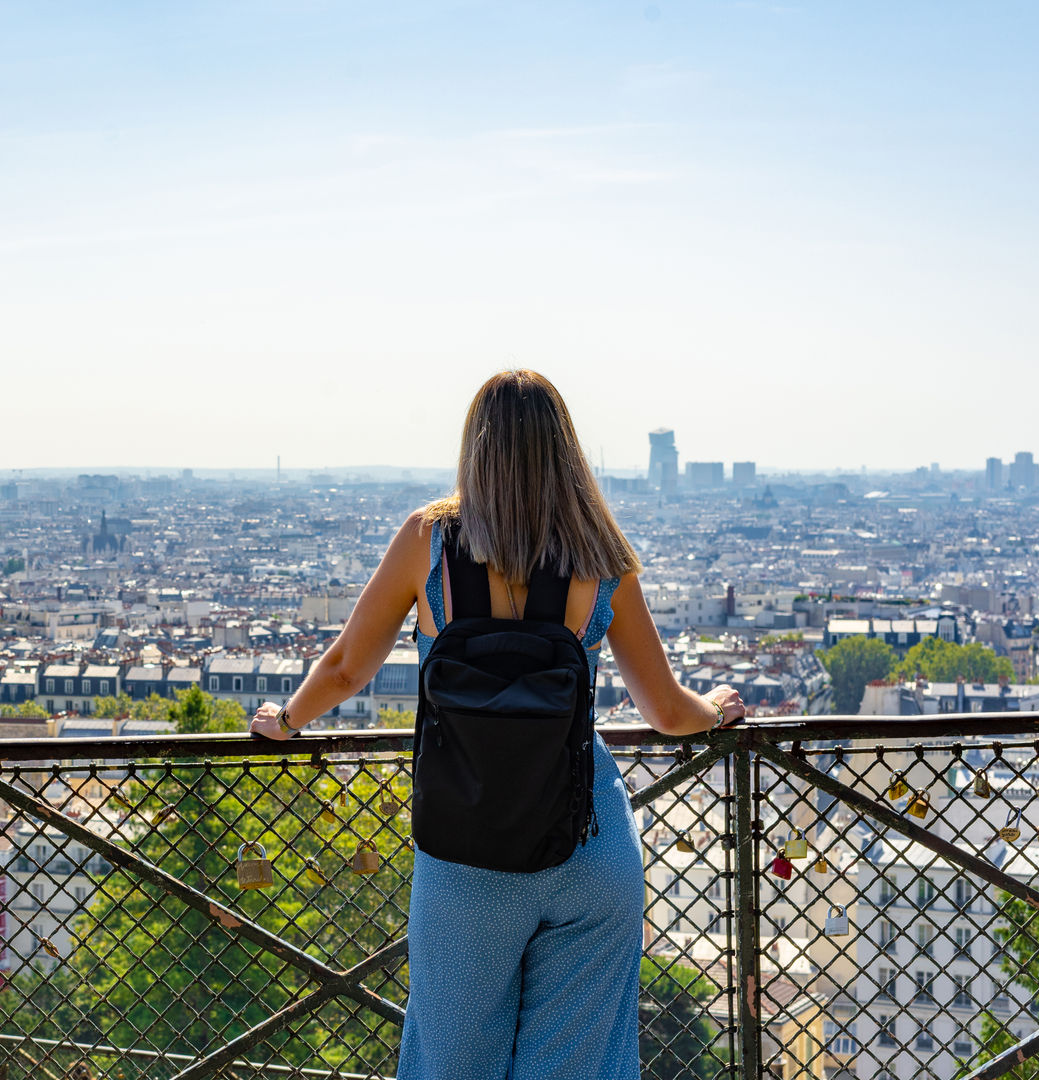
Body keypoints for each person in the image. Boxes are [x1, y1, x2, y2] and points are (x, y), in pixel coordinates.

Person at [249, 370, 747, 1079]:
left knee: (453, 1063)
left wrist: (287, 718)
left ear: (474, 448)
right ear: (565, 451)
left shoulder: (427, 542)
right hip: (588, 840)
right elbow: (666, 711)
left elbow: (345, 670)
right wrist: (718, 707)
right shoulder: (601, 555)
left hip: (467, 846)